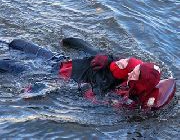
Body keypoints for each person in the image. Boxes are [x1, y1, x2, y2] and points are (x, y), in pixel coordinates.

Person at [0, 38, 161, 109]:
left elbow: (90, 97)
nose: (132, 71)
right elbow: (113, 58)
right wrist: (107, 59)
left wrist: (38, 89)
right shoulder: (132, 67)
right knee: (17, 43)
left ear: (140, 81)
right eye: (135, 68)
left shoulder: (120, 97)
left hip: (52, 75)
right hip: (60, 61)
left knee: (5, 64)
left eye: (136, 73)